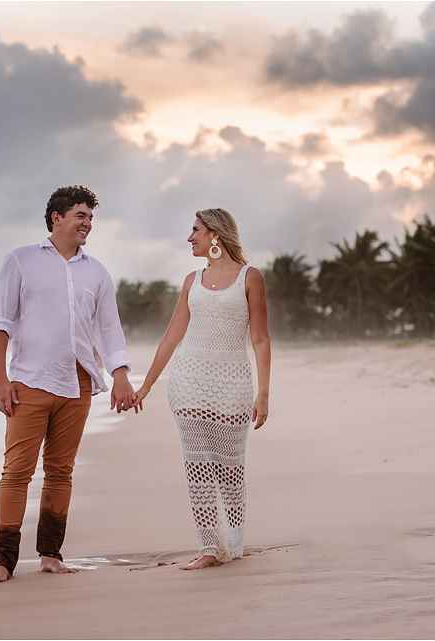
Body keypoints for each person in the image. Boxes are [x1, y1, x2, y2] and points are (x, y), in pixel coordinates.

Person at [0, 185, 137, 583]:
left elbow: (108, 329)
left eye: (90, 217)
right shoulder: (20, 261)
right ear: (57, 217)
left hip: (79, 384)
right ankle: (3, 560)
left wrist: (120, 375)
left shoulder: (96, 271)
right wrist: (1, 379)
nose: (87, 224)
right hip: (29, 382)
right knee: (17, 471)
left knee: (61, 471)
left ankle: (50, 553)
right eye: (81, 216)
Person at [133, 208, 270, 570]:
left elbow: (260, 338)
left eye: (195, 231)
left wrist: (264, 392)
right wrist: (146, 385)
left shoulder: (249, 277)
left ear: (215, 235)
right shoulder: (192, 280)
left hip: (232, 384)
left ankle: (234, 543)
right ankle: (210, 548)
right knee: (197, 466)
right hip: (187, 381)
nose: (190, 238)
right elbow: (171, 336)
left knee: (229, 469)